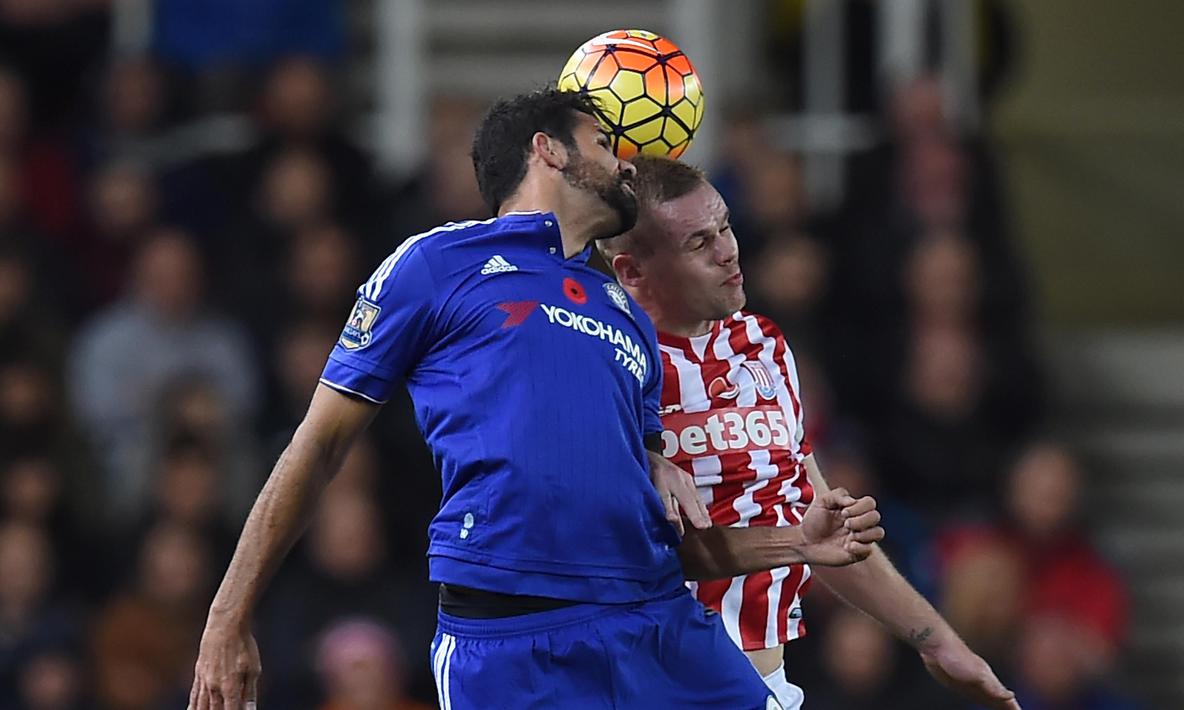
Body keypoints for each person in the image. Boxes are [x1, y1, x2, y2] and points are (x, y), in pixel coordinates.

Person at [188, 87, 885, 710]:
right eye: (606, 145)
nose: (626, 166)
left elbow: (657, 526)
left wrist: (791, 542)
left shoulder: (625, 313)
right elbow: (317, 444)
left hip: (654, 621)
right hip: (511, 633)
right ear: (547, 150)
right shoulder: (435, 264)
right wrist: (228, 617)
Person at [596, 154, 1020, 710]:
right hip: (649, 687)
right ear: (632, 272)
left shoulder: (764, 347)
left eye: (725, 226)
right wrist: (797, 542)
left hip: (765, 683)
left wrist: (938, 644)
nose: (728, 251)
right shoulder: (609, 363)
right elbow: (624, 553)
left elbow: (819, 523)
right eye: (698, 244)